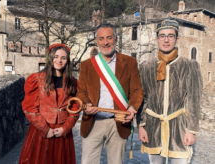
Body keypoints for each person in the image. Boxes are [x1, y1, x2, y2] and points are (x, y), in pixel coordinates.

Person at [137, 19, 203, 164]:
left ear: (177, 39)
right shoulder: (146, 67)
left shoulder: (189, 66)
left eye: (171, 36)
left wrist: (191, 130)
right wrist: (141, 126)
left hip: (179, 129)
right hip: (153, 128)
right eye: (162, 36)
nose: (166, 40)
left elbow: (194, 100)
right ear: (157, 39)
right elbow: (142, 99)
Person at [76, 22, 144, 164]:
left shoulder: (130, 62)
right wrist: (86, 104)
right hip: (93, 122)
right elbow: (81, 91)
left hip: (119, 122)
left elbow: (137, 90)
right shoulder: (86, 65)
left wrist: (132, 108)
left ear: (116, 39)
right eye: (101, 39)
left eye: (109, 38)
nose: (105, 42)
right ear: (96, 41)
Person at [18, 43, 79, 164]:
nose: (59, 60)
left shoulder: (73, 82)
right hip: (41, 131)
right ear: (51, 58)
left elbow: (75, 108)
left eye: (63, 58)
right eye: (56, 57)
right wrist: (45, 129)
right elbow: (30, 108)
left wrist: (65, 128)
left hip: (62, 132)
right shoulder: (37, 79)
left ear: (67, 61)